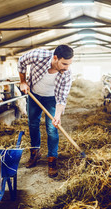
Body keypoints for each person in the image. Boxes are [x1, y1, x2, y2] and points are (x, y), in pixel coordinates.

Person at [18, 44, 74, 178]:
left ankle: (52, 159)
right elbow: (21, 61)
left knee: (52, 127)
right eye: (64, 64)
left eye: (69, 64)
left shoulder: (67, 74)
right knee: (32, 124)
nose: (67, 68)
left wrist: (58, 115)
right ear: (55, 58)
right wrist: (23, 81)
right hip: (34, 95)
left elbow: (62, 98)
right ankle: (35, 152)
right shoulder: (39, 56)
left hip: (52, 99)